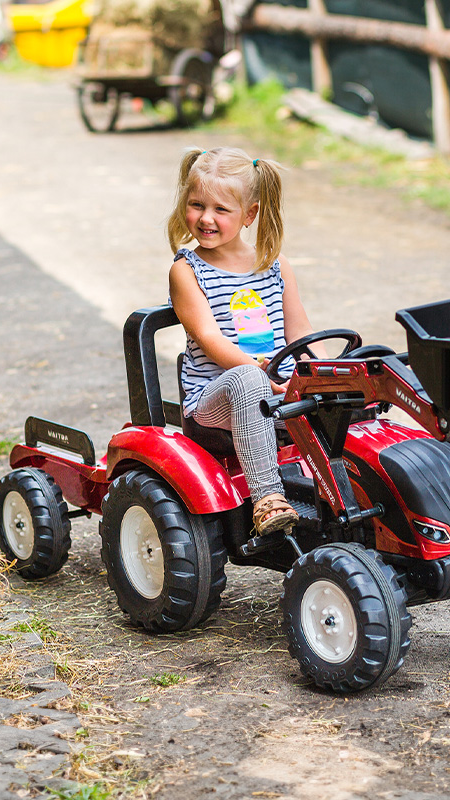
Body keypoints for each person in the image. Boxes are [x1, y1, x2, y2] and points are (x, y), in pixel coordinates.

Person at [167, 146, 319, 540]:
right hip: (214, 403)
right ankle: (267, 498)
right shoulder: (187, 271)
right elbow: (209, 337)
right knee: (248, 381)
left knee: (351, 378)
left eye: (221, 209)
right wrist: (262, 375)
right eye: (197, 205)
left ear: (249, 214)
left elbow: (299, 333)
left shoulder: (275, 265)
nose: (205, 218)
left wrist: (322, 372)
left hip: (275, 390)